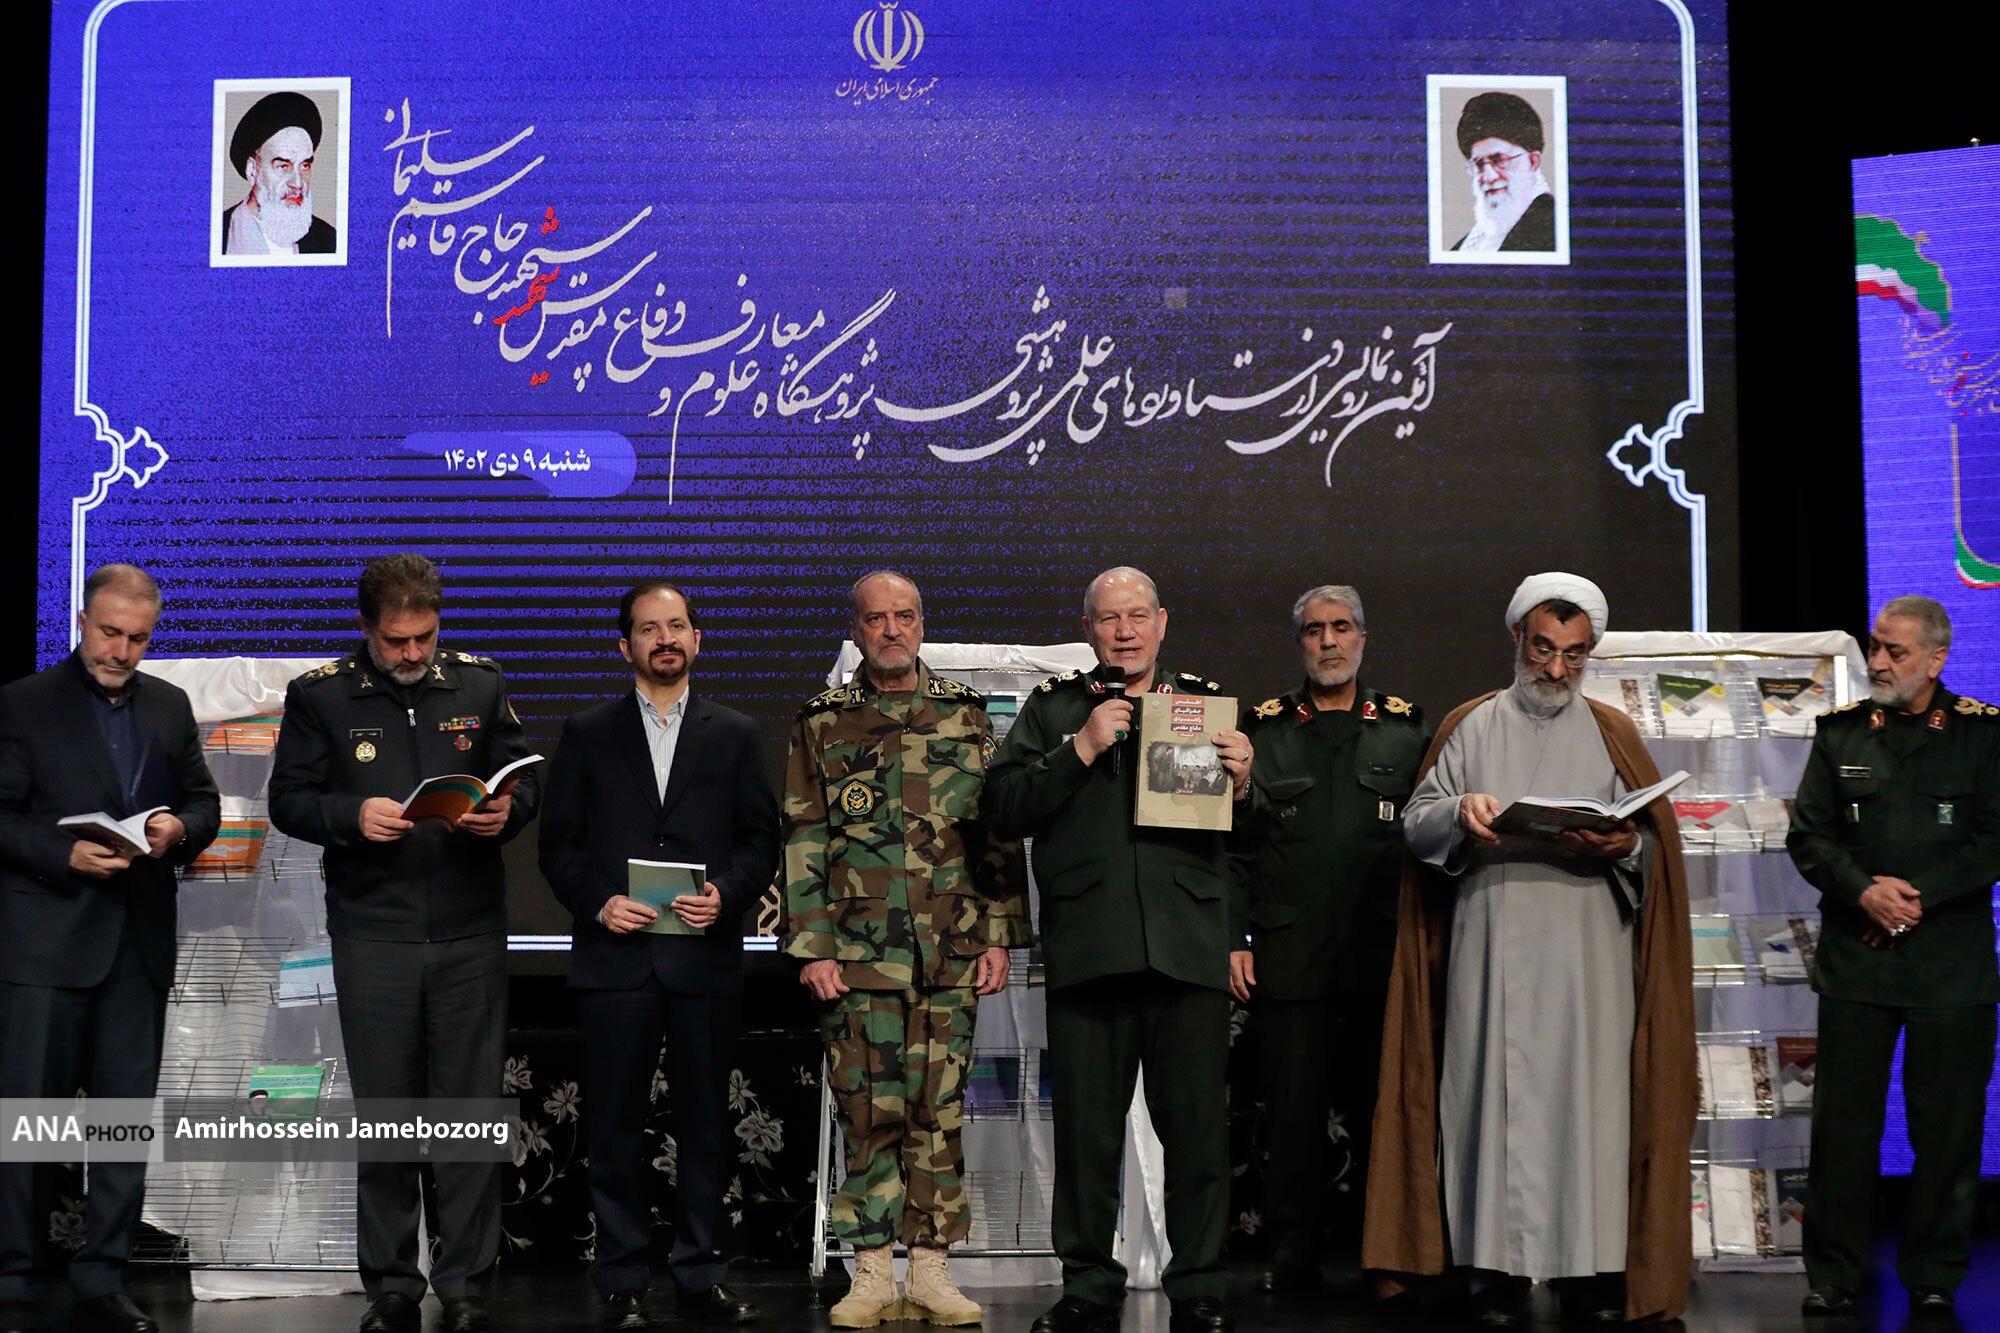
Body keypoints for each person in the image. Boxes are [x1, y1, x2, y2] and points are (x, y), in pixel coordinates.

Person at [1363, 573, 1696, 1326]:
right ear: (1517, 638)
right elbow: (1416, 823)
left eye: (1574, 656)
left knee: (1591, 1109)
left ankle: (1591, 1273)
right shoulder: (1472, 724)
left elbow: (1654, 851)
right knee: (1488, 1104)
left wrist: (1625, 845)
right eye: (1544, 650)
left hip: (1590, 959)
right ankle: (1494, 1273)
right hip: (1492, 950)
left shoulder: (1614, 731)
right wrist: (1460, 810)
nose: (1557, 669)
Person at [269, 554, 539, 1333]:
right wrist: (351, 817)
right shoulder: (320, 694)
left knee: (468, 1114)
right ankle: (392, 1283)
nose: (414, 652)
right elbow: (288, 799)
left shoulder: (480, 683)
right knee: (386, 1113)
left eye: (425, 636)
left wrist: (508, 812)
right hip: (373, 932)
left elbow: (523, 780)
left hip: (470, 928)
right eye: (397, 640)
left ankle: (466, 1285)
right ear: (366, 627)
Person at [983, 567, 1254, 1333]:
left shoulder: (1203, 706)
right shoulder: (1054, 709)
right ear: (1088, 629)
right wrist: (1079, 748)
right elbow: (1002, 805)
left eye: (1138, 615)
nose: (1125, 630)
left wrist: (1245, 785)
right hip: (1090, 947)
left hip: (1186, 947)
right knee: (1087, 1135)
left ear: (1162, 622)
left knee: (1196, 1132)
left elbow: (1253, 838)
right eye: (1109, 618)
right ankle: (1088, 1284)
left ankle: (1198, 1283)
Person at [782, 571, 1028, 1329]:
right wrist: (812, 946)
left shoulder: (966, 714)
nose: (892, 629)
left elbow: (995, 829)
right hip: (859, 953)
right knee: (867, 1112)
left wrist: (998, 932)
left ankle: (929, 1268)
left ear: (922, 623)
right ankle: (869, 1270)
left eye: (905, 616)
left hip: (952, 948)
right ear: (856, 629)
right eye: (876, 618)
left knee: (940, 1111)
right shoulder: (823, 721)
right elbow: (804, 835)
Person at [538, 581, 779, 1330]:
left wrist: (727, 895)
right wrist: (600, 902)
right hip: (616, 959)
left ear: (697, 639)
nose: (665, 638)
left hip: (704, 958)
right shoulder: (586, 732)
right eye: (649, 628)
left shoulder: (736, 732)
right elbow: (558, 845)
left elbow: (761, 840)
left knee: (705, 1127)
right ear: (626, 647)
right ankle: (621, 1280)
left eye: (676, 626)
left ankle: (701, 1275)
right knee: (613, 1129)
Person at [0, 565, 219, 1333]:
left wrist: (179, 828)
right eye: (109, 632)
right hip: (44, 949)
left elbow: (203, 801)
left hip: (136, 949)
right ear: (82, 622)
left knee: (122, 1127)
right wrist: (63, 854)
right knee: (26, 1122)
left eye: (137, 638)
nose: (121, 650)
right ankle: (13, 1276)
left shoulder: (168, 705)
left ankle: (102, 1276)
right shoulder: (24, 703)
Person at [1786, 595, 2000, 1323]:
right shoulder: (1840, 732)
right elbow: (1809, 836)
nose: (1876, 661)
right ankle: (1835, 1274)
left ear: (1936, 660)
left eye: (1894, 651)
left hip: (1950, 967)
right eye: (1875, 646)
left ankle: (1934, 1273)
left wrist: (1914, 901)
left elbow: (1994, 841)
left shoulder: (1983, 735)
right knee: (1843, 1128)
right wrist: (1863, 892)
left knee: (1946, 1130)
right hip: (1858, 959)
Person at [1228, 585, 1428, 1294]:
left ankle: (1389, 1256)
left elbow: (1431, 844)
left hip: (1383, 954)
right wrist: (1235, 936)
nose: (1329, 641)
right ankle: (1293, 1257)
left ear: (1362, 638)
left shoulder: (1407, 730)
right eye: (1314, 630)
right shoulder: (1263, 729)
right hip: (1291, 952)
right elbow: (1234, 846)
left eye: (1341, 627)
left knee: (1387, 1110)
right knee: (1291, 1114)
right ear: (1301, 643)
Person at [221, 90, 337, 256]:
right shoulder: (219, 235)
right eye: (283, 166)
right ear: (253, 171)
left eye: (305, 166)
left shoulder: (327, 240)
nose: (297, 183)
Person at [1450, 91, 1557, 253]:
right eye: (1479, 165)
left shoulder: (1557, 227)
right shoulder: (1465, 246)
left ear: (1533, 161)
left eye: (1499, 160)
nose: (1489, 177)